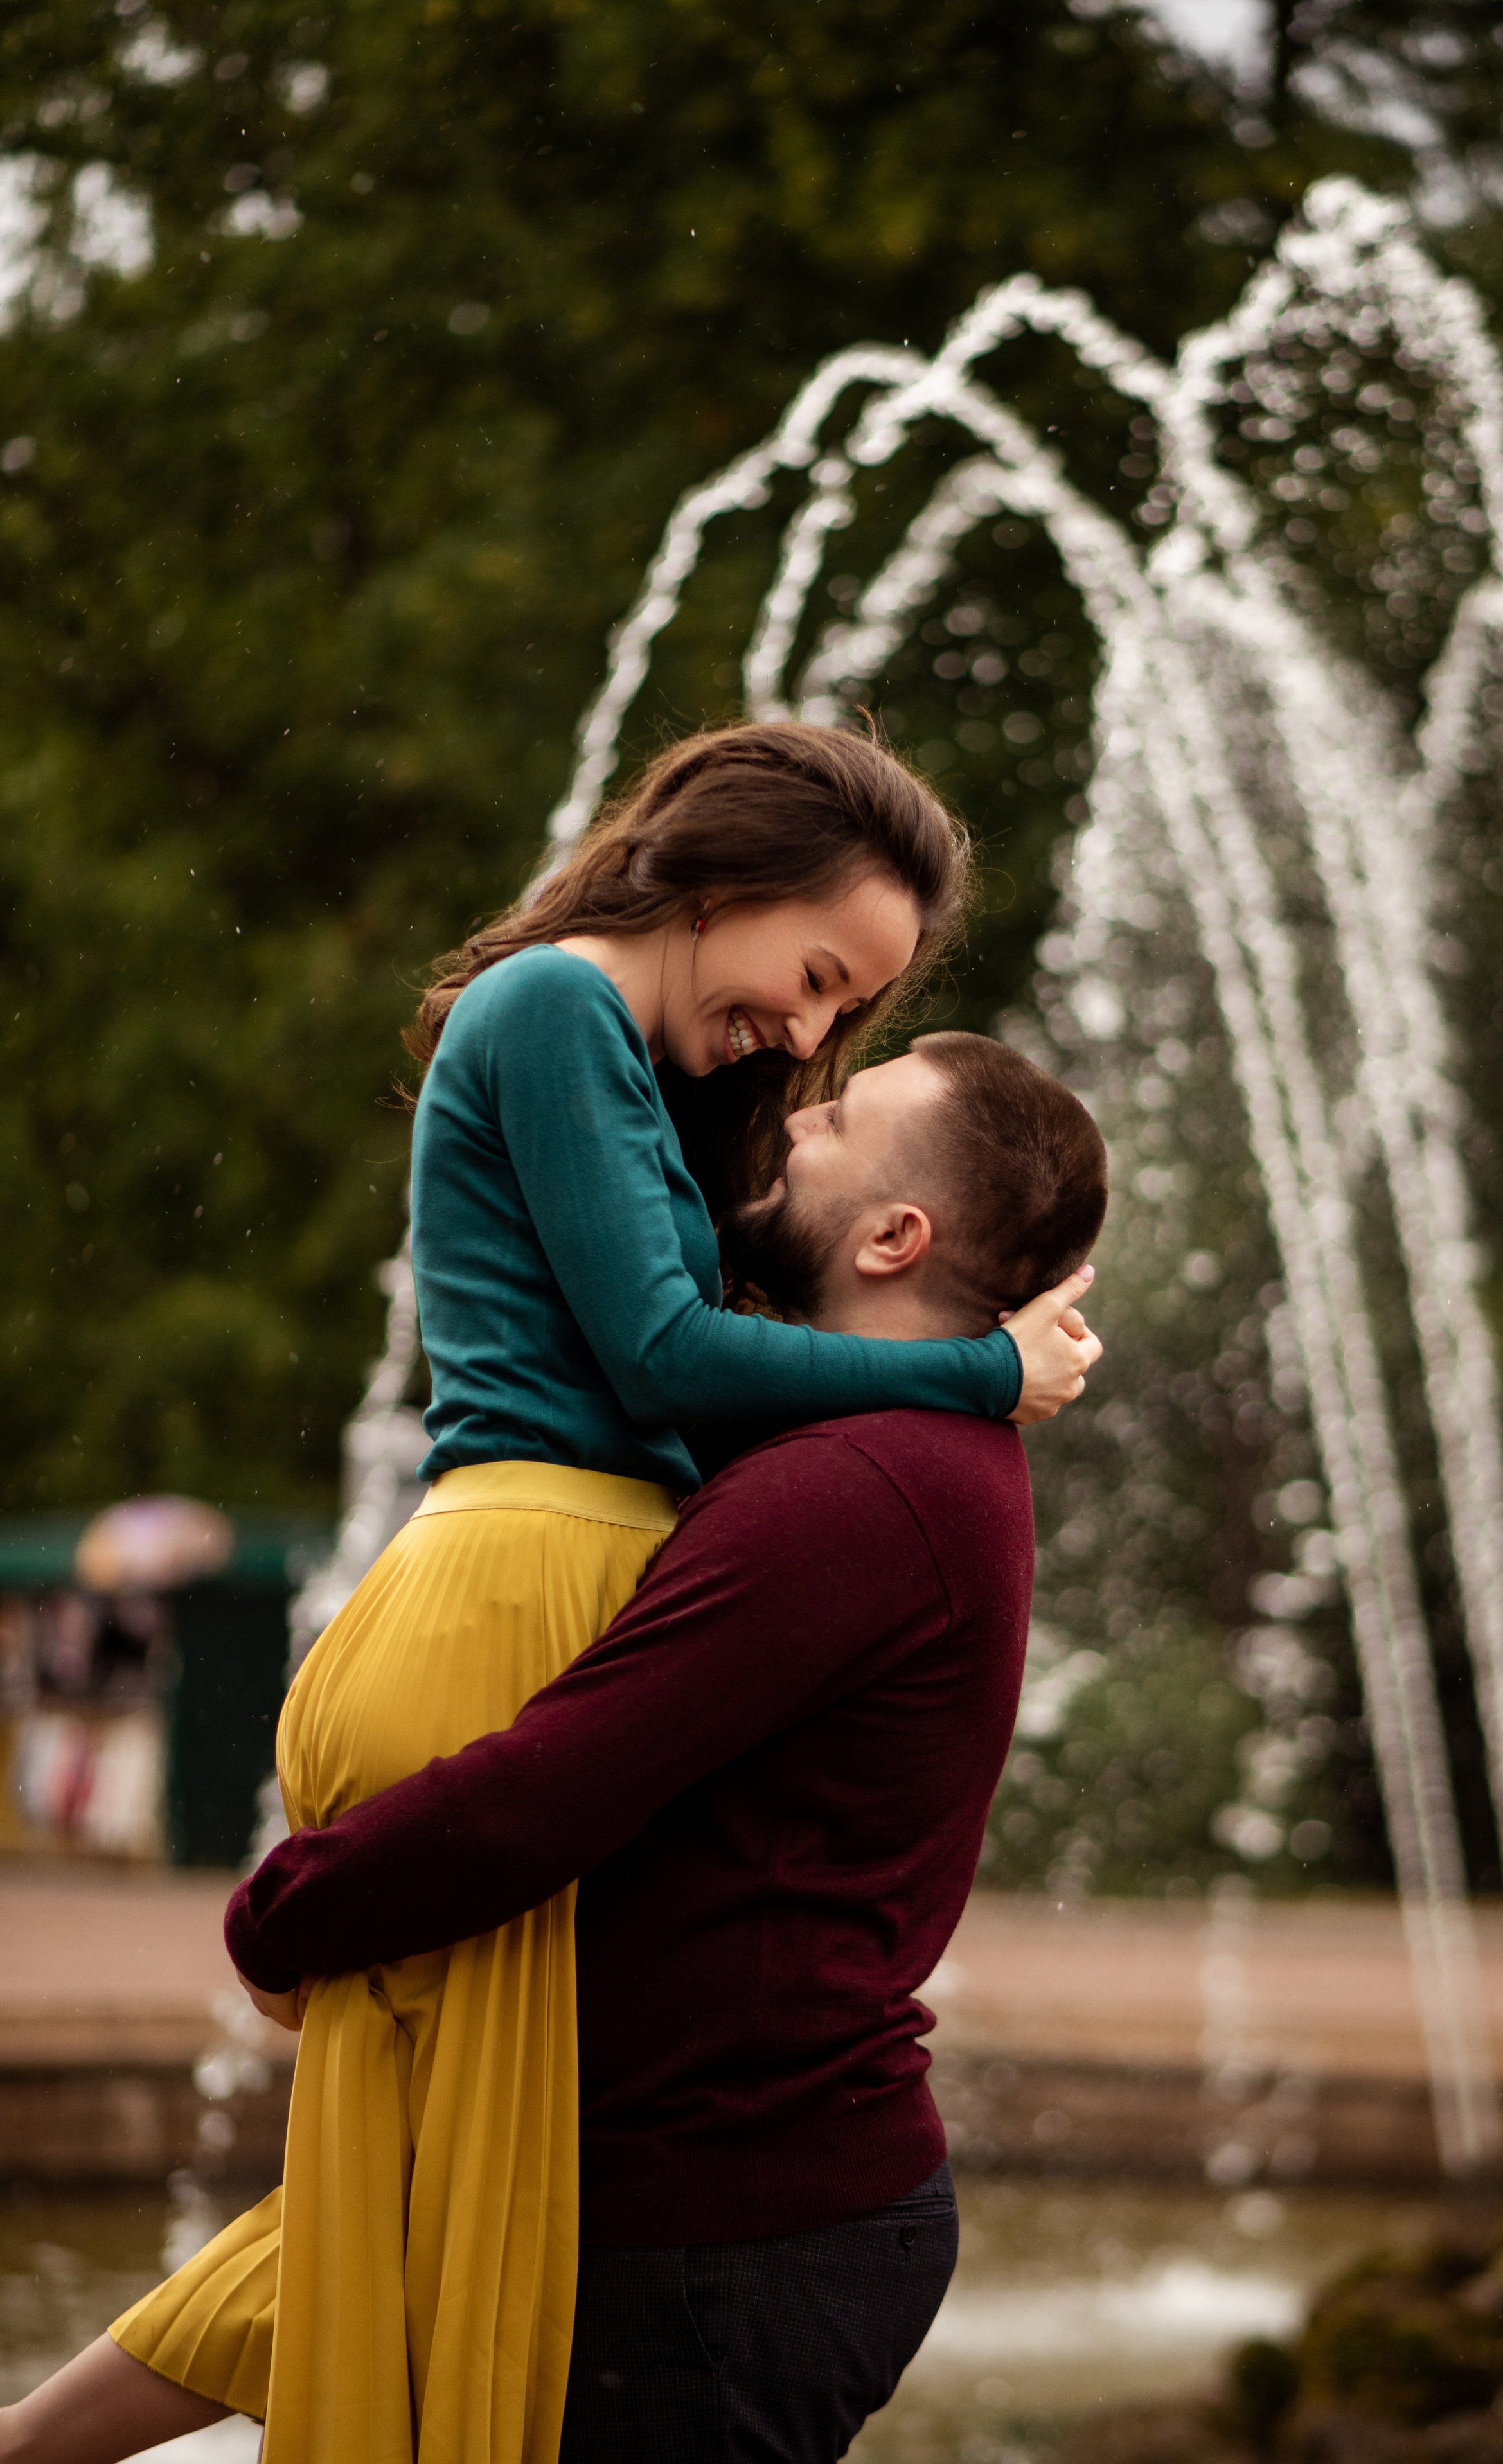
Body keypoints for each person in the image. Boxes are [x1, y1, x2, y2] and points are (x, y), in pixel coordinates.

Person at [0, 725, 1098, 2464]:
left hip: (536, 1582)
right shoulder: (555, 1005)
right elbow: (666, 1355)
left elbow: (694, 1352)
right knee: (439, 2182)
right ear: (725, 878)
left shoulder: (631, 1071)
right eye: (818, 978)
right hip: (517, 1580)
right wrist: (981, 1367)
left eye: (845, 1019)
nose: (807, 1040)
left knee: (419, 2185)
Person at [228, 1028, 1110, 2463]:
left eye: (837, 1120)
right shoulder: (886, 1450)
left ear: (894, 1237)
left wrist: (285, 1909)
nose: (796, 1123)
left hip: (728, 2234)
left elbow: (559, 1785)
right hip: (726, 2199)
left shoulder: (858, 1486)